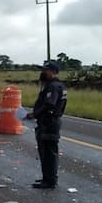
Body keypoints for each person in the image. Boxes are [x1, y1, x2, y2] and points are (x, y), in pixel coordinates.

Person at [25, 61, 68, 189]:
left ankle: (50, 181)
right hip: (49, 121)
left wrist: (35, 114)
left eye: (46, 70)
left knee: (49, 152)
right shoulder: (57, 85)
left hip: (49, 123)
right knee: (45, 152)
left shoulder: (53, 86)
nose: (43, 73)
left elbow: (50, 104)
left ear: (53, 72)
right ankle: (47, 178)